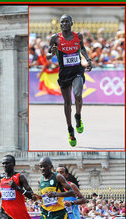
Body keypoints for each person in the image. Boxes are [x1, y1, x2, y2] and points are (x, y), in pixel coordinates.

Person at [47, 15, 92, 147]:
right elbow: (48, 55)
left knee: (78, 94)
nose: (64, 23)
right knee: (67, 102)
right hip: (64, 73)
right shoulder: (55, 38)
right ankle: (70, 130)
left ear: (72, 23)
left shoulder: (78, 36)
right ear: (60, 25)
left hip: (77, 70)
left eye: (67, 21)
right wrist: (53, 52)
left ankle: (78, 116)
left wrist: (88, 60)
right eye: (62, 22)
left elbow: (82, 48)